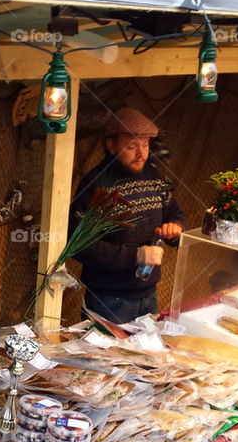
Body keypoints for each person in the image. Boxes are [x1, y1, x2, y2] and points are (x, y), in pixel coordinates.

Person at [69, 108, 185, 324]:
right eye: (131, 146)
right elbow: (79, 245)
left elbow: (174, 212)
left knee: (143, 357)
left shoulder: (152, 175)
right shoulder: (96, 184)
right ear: (111, 146)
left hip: (149, 295)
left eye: (145, 145)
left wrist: (175, 228)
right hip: (109, 300)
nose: (141, 154)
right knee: (106, 358)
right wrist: (137, 256)